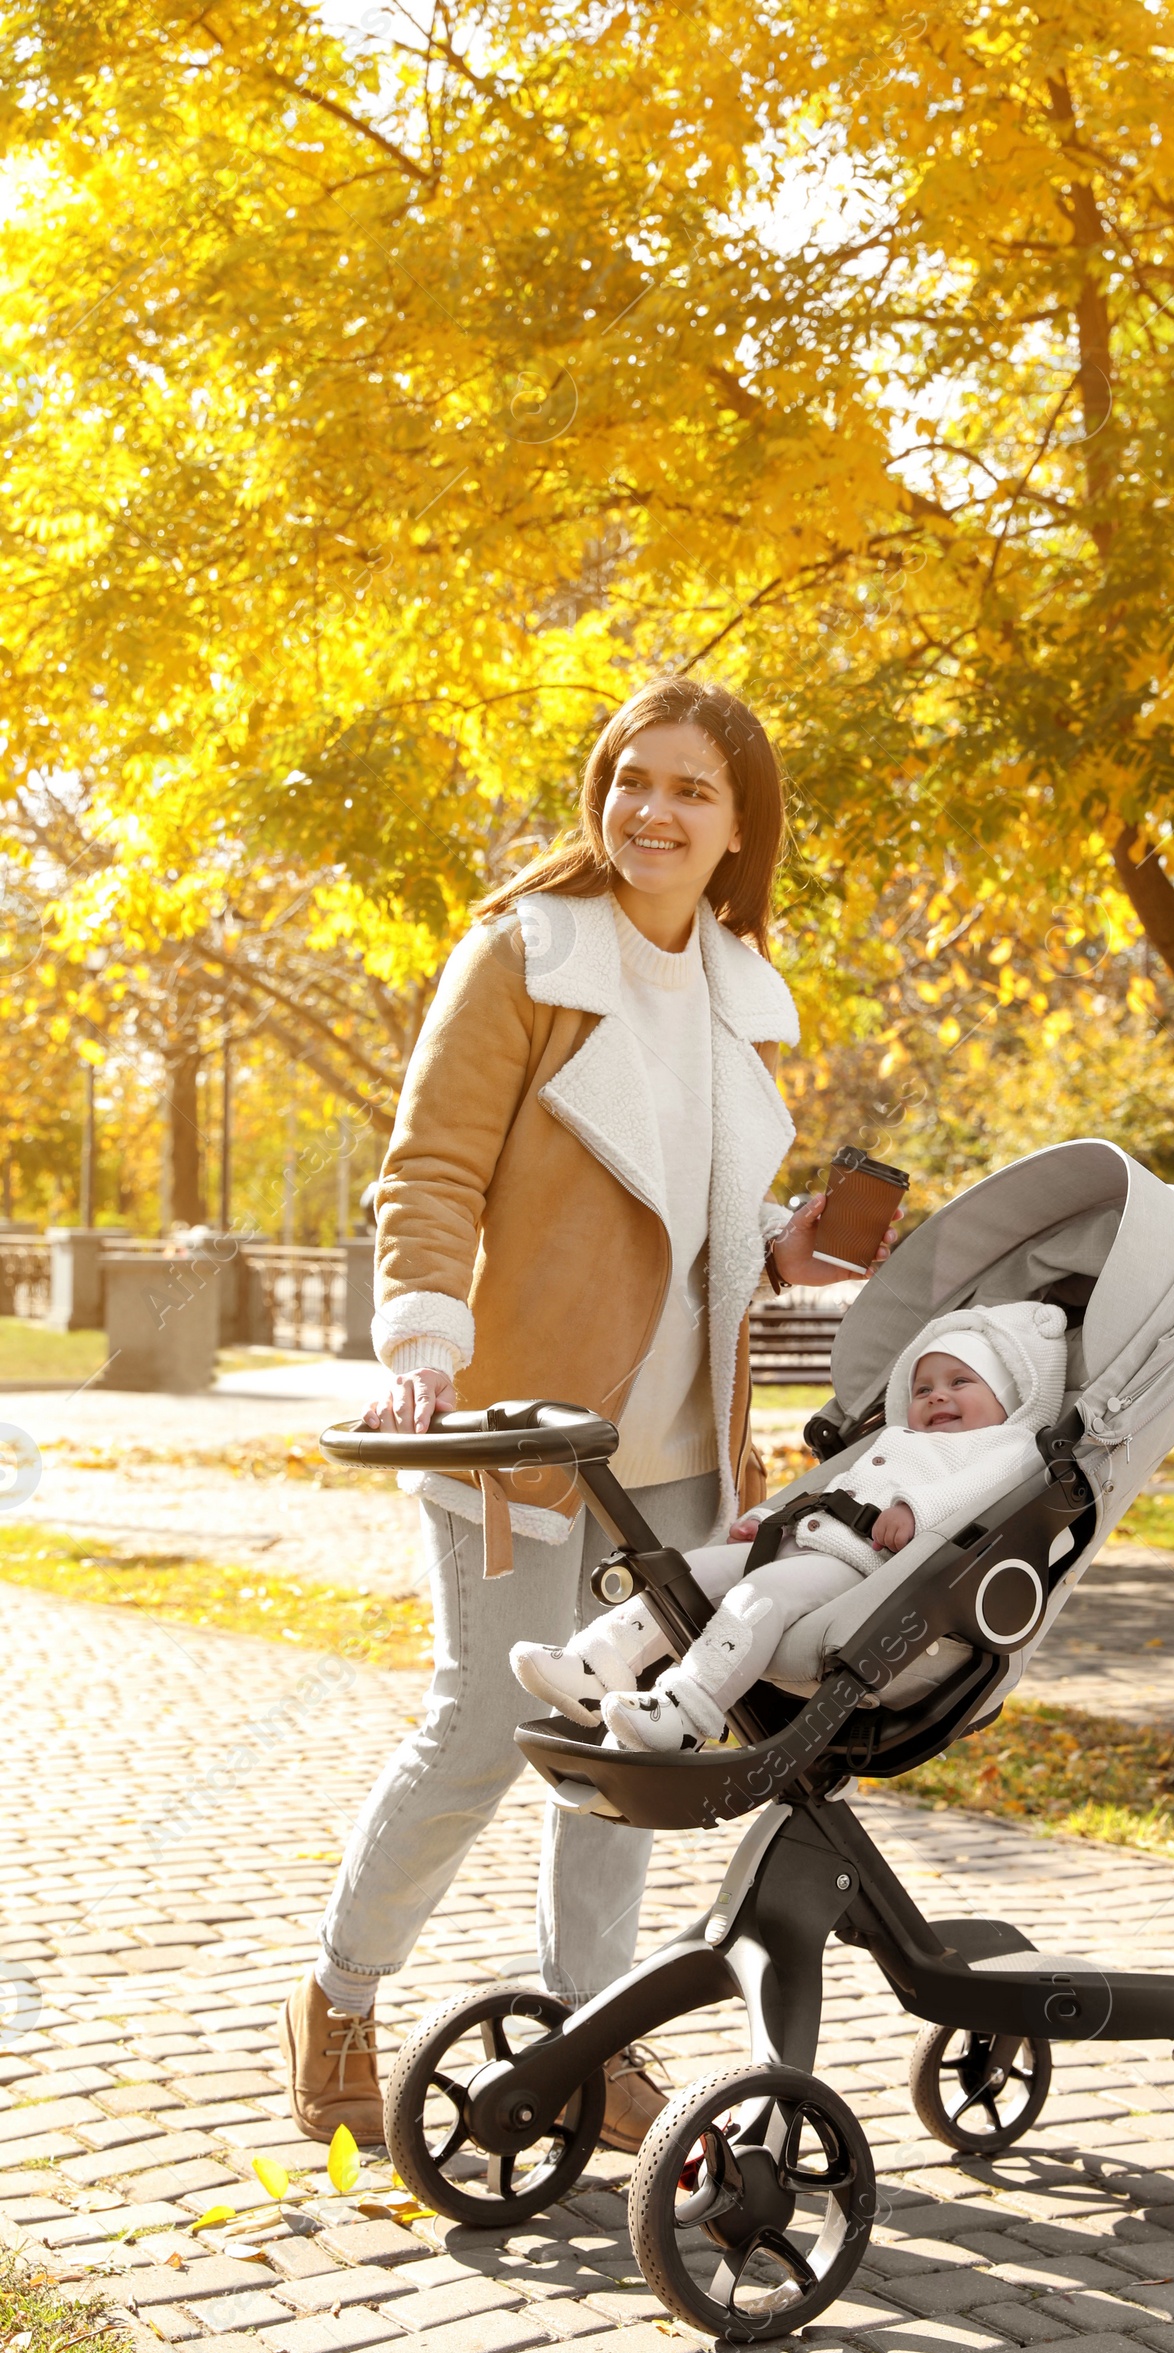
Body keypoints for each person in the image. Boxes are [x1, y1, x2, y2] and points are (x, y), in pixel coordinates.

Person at [277, 678, 895, 2149]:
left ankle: (591, 2038)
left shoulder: (741, 994)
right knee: (487, 1721)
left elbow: (700, 1220)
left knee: (638, 1749)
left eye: (690, 788)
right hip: (520, 1427)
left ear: (740, 823)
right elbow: (430, 1171)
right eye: (632, 780)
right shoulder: (525, 959)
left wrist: (783, 1247)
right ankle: (341, 1994)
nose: (653, 812)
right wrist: (425, 1342)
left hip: (686, 1442)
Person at [513, 1301, 1067, 1751]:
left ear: (1009, 1396)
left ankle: (685, 1713)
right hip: (804, 1537)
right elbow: (823, 1490)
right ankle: (596, 1665)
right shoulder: (898, 1440)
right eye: (923, 1389)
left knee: (762, 1595)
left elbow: (975, 1495)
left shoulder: (1007, 1447)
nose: (938, 1395)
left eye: (960, 1381)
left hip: (864, 1567)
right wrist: (763, 1520)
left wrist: (916, 1512)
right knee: (684, 1570)